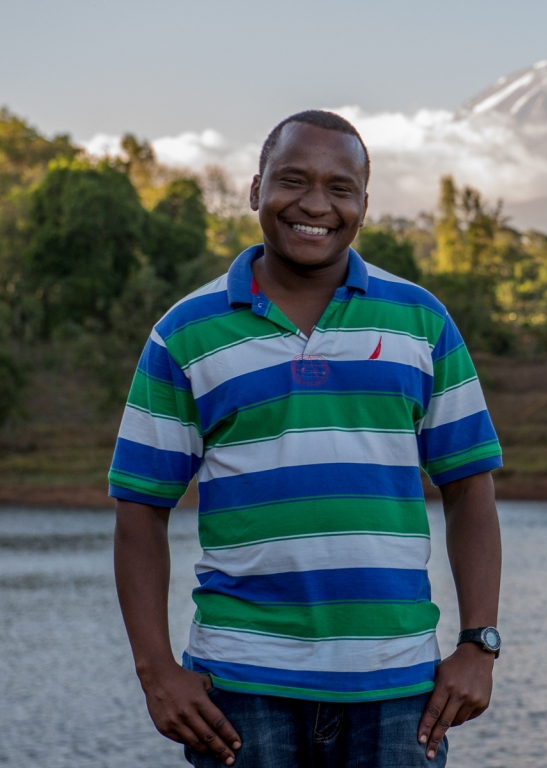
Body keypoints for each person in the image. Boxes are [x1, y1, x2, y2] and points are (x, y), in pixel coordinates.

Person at [110, 110, 503, 767]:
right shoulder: (185, 332)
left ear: (364, 204)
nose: (315, 204)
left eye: (339, 187)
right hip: (238, 694)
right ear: (256, 188)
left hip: (400, 690)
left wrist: (479, 645)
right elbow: (139, 510)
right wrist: (156, 672)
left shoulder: (421, 321)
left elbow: (470, 489)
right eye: (293, 181)